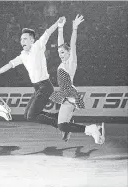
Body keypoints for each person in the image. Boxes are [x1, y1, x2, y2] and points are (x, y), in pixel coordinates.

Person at [0, 17, 64, 129]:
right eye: (21, 39)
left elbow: (47, 33)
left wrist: (57, 23)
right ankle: (59, 117)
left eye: (25, 39)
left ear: (32, 40)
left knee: (31, 116)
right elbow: (9, 65)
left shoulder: (37, 46)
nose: (22, 41)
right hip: (38, 88)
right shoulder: (22, 55)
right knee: (27, 115)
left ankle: (59, 124)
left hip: (45, 86)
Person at [49, 15, 105, 144]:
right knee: (63, 124)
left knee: (62, 125)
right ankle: (88, 129)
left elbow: (72, 44)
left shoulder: (71, 62)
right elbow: (60, 44)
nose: (61, 55)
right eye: (59, 53)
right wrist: (60, 28)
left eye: (63, 53)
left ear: (69, 53)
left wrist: (74, 28)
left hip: (69, 94)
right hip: (66, 94)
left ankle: (93, 129)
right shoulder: (64, 62)